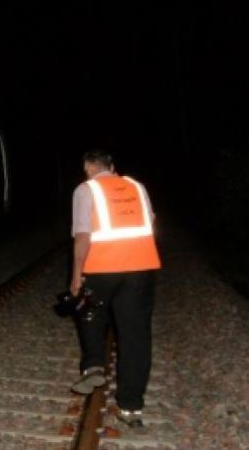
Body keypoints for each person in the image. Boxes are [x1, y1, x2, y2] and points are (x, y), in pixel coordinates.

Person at [68, 149, 161, 428]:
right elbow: (151, 222)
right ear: (113, 166)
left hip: (101, 267)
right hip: (141, 268)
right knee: (136, 336)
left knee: (89, 311)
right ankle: (131, 407)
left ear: (88, 167)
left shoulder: (86, 190)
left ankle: (94, 364)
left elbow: (83, 237)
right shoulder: (136, 186)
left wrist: (76, 277)